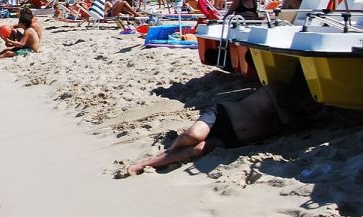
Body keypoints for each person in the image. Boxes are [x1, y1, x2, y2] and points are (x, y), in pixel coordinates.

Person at [122, 72, 326, 176]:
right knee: (192, 137)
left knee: (196, 150)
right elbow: (287, 118)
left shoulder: (297, 113)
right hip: (223, 114)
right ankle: (166, 152)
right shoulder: (279, 89)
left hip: (234, 138)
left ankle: (145, 164)